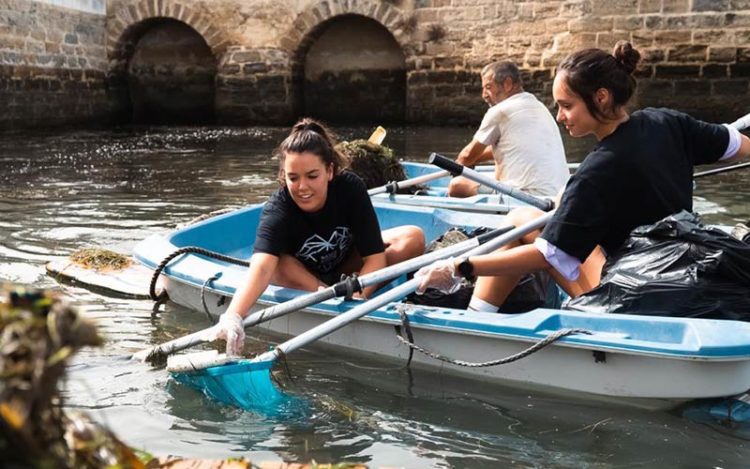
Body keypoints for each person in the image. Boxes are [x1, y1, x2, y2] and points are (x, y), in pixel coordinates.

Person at [416, 41, 750, 313]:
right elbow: (739, 145)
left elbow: (547, 256)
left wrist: (460, 267)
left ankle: (477, 324)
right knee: (535, 218)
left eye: (566, 106)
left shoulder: (596, 170)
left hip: (634, 293)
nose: (560, 116)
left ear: (600, 98)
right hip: (680, 270)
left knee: (523, 224)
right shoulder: (668, 122)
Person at [209, 118, 425, 354]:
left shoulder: (350, 187)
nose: (302, 187)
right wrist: (233, 316)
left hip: (348, 270)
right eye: (293, 178)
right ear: (284, 175)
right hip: (306, 279)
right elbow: (261, 269)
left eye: (312, 176)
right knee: (276, 263)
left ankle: (346, 292)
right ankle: (326, 295)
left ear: (329, 171)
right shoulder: (277, 209)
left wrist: (359, 297)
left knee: (412, 237)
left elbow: (375, 257)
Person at [447, 61, 569, 198]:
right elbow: (513, 147)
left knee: (456, 186)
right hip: (559, 195)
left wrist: (459, 166)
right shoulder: (538, 106)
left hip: (526, 196)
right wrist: (475, 159)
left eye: (488, 87)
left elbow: (466, 156)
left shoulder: (500, 111)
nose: (484, 95)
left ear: (508, 84)